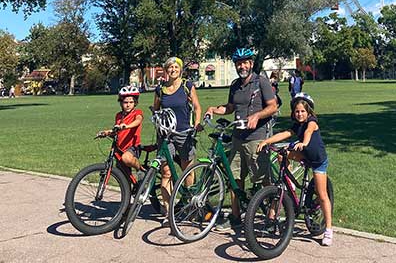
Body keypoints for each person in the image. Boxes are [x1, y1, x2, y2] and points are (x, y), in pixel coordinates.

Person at [205, 48, 278, 228]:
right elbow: (230, 107)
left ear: (251, 64)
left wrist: (256, 116)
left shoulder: (261, 82)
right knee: (234, 178)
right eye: (239, 63)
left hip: (256, 137)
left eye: (245, 62)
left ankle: (272, 214)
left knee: (263, 179)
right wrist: (214, 109)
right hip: (237, 137)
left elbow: (273, 107)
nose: (242, 66)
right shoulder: (235, 85)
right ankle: (236, 217)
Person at [257, 93, 333, 246]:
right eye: (297, 111)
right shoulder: (296, 125)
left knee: (322, 194)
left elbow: (308, 132)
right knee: (282, 154)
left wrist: (304, 143)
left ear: (309, 112)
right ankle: (289, 184)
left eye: (303, 111)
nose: (300, 114)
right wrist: (266, 141)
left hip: (318, 161)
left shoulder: (312, 122)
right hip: (304, 155)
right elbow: (284, 134)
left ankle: (329, 230)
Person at [153, 56, 202, 219]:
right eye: (169, 67)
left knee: (187, 170)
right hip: (166, 136)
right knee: (166, 172)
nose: (172, 70)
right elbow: (156, 109)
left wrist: (196, 123)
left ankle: (188, 203)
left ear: (180, 69)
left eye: (175, 67)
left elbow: (196, 107)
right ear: (166, 70)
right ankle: (168, 210)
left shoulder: (187, 86)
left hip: (184, 133)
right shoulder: (160, 89)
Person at [99, 86, 144, 172]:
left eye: (131, 102)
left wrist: (126, 126)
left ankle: (140, 169)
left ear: (135, 103)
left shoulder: (137, 113)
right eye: (125, 102)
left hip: (133, 147)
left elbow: (138, 121)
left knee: (126, 158)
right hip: (120, 148)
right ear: (121, 103)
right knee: (122, 175)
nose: (128, 105)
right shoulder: (118, 116)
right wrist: (106, 133)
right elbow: (116, 131)